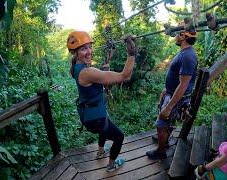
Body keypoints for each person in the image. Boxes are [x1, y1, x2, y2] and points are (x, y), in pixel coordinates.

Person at [67, 31, 137, 172]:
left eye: (89, 47)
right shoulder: (88, 72)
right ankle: (111, 165)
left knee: (105, 127)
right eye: (83, 49)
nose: (89, 52)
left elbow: (96, 79)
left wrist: (105, 69)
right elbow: (125, 76)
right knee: (119, 137)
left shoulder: (76, 67)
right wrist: (132, 54)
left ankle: (100, 151)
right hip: (95, 118)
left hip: (90, 114)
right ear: (75, 53)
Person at [146, 27, 198, 160]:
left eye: (177, 34)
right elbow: (177, 78)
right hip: (171, 93)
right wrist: (166, 89)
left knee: (161, 124)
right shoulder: (184, 52)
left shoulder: (188, 56)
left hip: (177, 98)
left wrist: (169, 107)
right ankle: (165, 141)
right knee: (164, 123)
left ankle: (161, 151)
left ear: (184, 36)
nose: (175, 36)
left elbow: (183, 85)